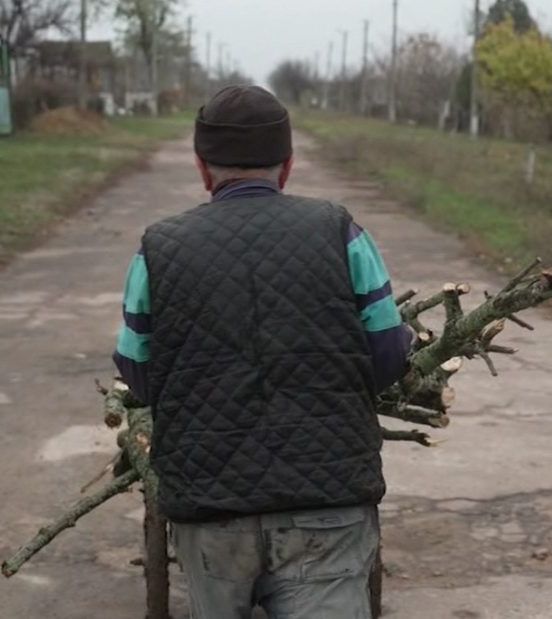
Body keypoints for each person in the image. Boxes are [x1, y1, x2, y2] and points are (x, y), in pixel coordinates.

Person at [112, 84, 411, 619]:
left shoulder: (156, 249)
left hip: (210, 511)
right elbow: (389, 355)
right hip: (329, 505)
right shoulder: (341, 231)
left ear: (203, 169)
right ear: (288, 164)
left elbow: (138, 372)